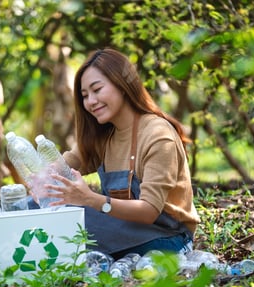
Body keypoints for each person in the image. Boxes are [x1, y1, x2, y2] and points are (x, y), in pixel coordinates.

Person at [45, 48, 200, 260]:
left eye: (97, 89)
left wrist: (90, 199)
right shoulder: (106, 135)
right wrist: (47, 175)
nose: (90, 101)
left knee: (75, 218)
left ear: (122, 85)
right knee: (48, 206)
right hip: (126, 230)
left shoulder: (158, 136)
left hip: (168, 239)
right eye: (84, 96)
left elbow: (149, 211)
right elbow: (75, 158)